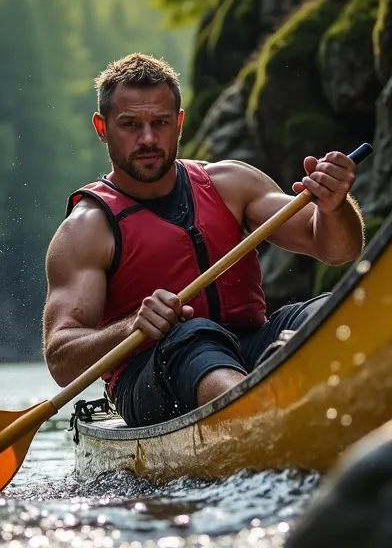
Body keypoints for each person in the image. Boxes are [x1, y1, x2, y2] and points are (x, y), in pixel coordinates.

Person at [41, 53, 366, 428]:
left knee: (328, 309)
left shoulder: (231, 184)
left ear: (178, 123)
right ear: (102, 127)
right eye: (130, 125)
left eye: (160, 123)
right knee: (192, 336)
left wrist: (333, 206)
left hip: (249, 349)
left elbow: (339, 249)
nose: (147, 139)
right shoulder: (87, 229)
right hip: (153, 374)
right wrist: (131, 327)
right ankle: (267, 413)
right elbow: (60, 358)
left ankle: (298, 393)